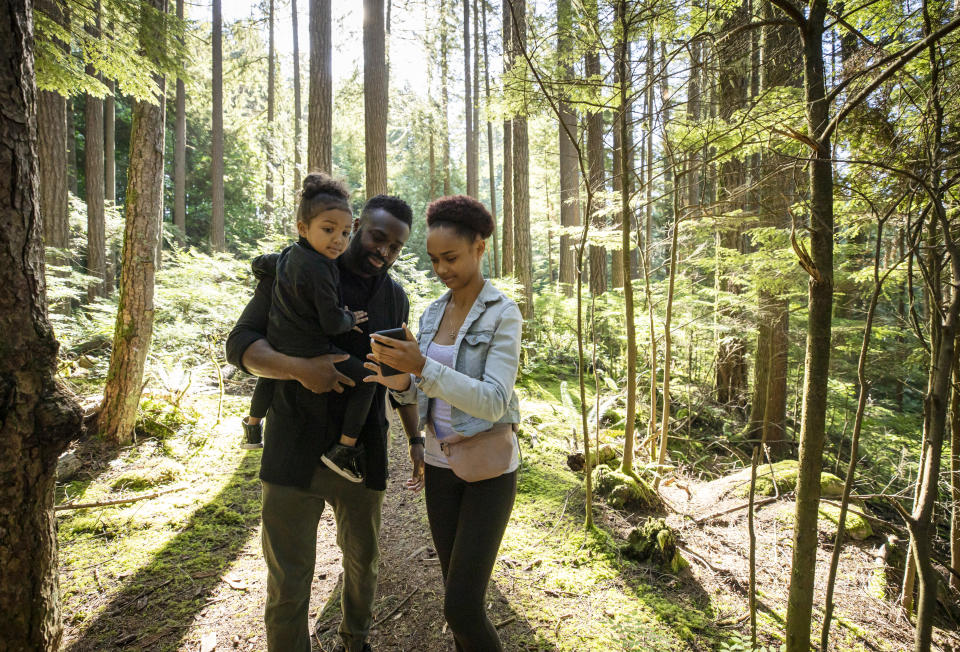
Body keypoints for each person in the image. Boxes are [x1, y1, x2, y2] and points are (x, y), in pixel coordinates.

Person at [225, 193, 425, 652]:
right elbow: (240, 345)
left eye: (396, 247)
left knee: (363, 563)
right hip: (292, 445)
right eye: (377, 237)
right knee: (288, 574)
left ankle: (354, 642)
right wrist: (296, 367)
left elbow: (395, 376)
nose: (384, 252)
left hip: (362, 452)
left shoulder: (395, 297)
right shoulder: (293, 268)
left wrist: (416, 437)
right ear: (356, 226)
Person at [366, 195, 522, 652]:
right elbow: (422, 392)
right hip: (439, 462)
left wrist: (424, 368)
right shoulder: (433, 312)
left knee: (463, 606)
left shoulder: (502, 313)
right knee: (455, 591)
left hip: (489, 468)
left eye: (451, 257)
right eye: (434, 259)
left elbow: (494, 400)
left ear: (480, 247)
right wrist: (399, 381)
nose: (442, 269)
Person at [247, 173, 375, 482]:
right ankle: (344, 449)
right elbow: (332, 322)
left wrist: (260, 270)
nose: (338, 240)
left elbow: (261, 262)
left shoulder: (290, 254)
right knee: (370, 380)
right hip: (310, 347)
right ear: (303, 228)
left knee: (269, 376)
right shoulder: (321, 268)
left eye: (346, 232)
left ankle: (252, 426)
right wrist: (350, 319)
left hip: (278, 341)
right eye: (329, 230)